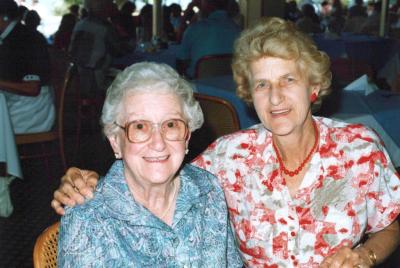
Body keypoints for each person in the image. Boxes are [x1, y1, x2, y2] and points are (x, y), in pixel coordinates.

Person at [52, 17, 400, 267]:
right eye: (262, 84)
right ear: (250, 96)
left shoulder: (360, 148)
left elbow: (389, 224)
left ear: (313, 88)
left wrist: (365, 256)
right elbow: (156, 167)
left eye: (288, 80)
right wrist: (87, 179)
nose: (275, 97)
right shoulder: (229, 157)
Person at [57, 62, 243, 267]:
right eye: (140, 126)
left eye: (171, 125)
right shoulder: (87, 218)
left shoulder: (208, 190)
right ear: (115, 141)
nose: (158, 143)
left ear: (187, 137)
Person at [0, 0, 55, 134]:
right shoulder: (10, 37)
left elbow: (32, 89)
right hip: (19, 103)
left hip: (32, 110)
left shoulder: (26, 39)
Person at [68, 0, 133, 98]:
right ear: (105, 8)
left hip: (77, 77)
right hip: (97, 79)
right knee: (129, 82)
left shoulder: (80, 24)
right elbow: (119, 51)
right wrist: (130, 44)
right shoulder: (104, 27)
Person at [176, 0, 241, 78]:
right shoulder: (239, 31)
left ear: (207, 4)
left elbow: (181, 62)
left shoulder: (195, 29)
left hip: (198, 87)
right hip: (230, 87)